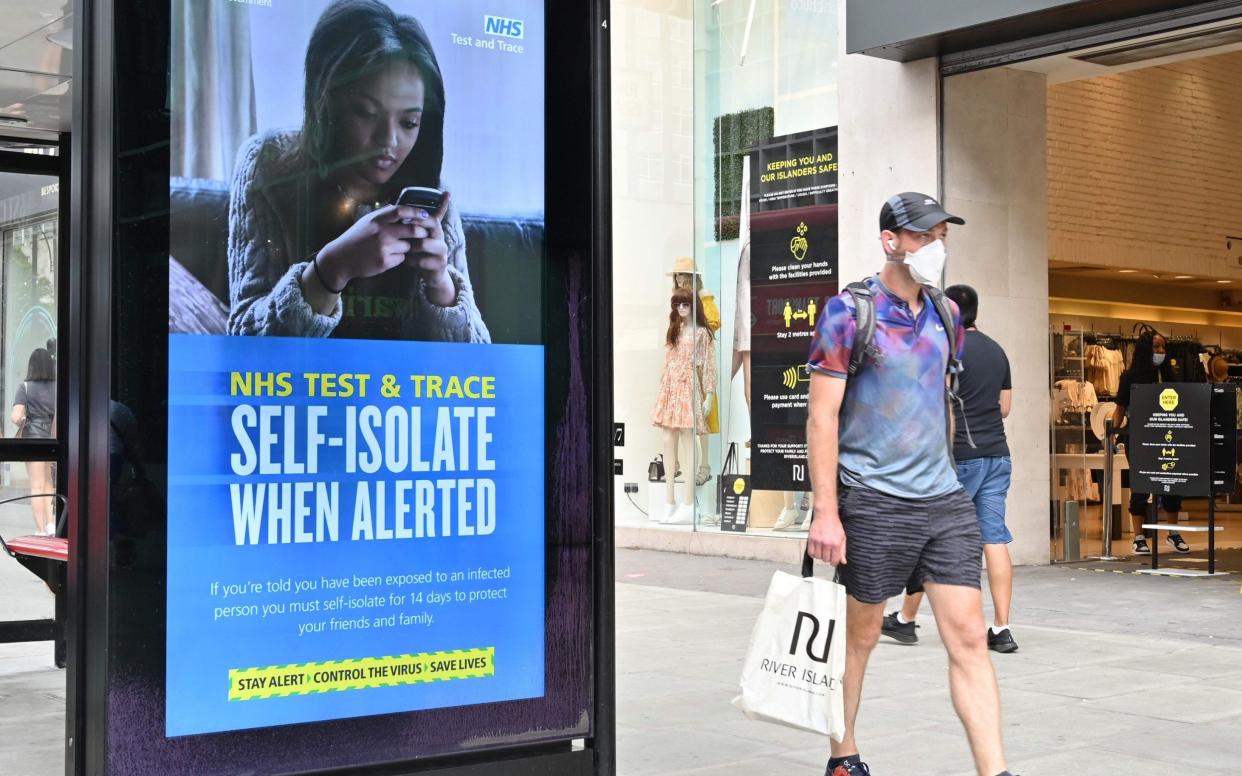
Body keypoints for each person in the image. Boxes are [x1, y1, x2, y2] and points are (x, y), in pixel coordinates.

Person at [806, 193, 1015, 776]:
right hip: (873, 498)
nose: (934, 246)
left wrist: (947, 470)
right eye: (923, 235)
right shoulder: (848, 313)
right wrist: (827, 510)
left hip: (943, 500)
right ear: (890, 240)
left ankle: (994, 771)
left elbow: (939, 401)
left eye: (941, 234)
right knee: (862, 637)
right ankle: (843, 758)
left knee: (970, 636)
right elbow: (821, 415)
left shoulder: (947, 314)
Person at [228, 0, 489, 343]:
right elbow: (242, 342)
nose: (389, 142)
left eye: (410, 122)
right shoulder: (267, 163)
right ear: (326, 102)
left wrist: (441, 284)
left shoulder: (431, 196)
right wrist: (332, 269)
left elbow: (480, 367)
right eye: (366, 113)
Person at [881, 285, 1019, 654]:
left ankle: (906, 620)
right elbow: (1005, 407)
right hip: (997, 455)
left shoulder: (946, 348)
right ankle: (1002, 629)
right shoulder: (996, 350)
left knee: (929, 534)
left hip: (958, 457)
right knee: (995, 538)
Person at [1111, 331, 1190, 556]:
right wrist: (1113, 434)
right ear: (1146, 349)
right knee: (1141, 485)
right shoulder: (1130, 377)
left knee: (1172, 483)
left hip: (1168, 436)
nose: (1161, 352)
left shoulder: (1170, 377)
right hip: (1139, 438)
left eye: (1163, 348)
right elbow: (1120, 409)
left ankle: (1172, 533)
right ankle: (1139, 538)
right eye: (1156, 347)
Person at [10, 348, 57, 535]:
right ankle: (52, 524)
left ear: (31, 366)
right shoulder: (58, 387)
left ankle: (40, 529)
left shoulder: (25, 387)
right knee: (50, 484)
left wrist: (23, 420)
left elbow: (15, 417)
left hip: (34, 438)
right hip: (54, 438)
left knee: (37, 485)